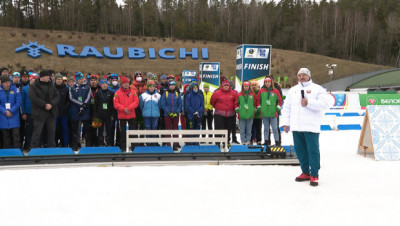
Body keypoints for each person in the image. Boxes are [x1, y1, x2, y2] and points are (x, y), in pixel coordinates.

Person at [281, 68, 331, 187]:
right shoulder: (293, 90)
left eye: (304, 75)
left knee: (312, 151)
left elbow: (325, 104)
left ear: (309, 76)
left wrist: (309, 102)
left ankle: (314, 174)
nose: (301, 77)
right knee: (300, 150)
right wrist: (285, 123)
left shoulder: (318, 89)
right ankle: (305, 172)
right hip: (296, 127)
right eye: (299, 75)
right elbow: (287, 107)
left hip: (311, 126)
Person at [29, 70, 60, 148]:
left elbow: (57, 96)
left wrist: (51, 104)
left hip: (51, 112)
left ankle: (51, 148)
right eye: (47, 76)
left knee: (51, 132)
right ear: (42, 77)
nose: (49, 78)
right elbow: (33, 98)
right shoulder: (34, 86)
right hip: (39, 113)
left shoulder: (51, 85)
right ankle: (34, 148)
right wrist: (44, 105)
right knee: (37, 132)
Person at [113, 76, 139, 151]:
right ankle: (123, 147)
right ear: (121, 84)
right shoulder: (117, 93)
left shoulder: (133, 92)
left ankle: (134, 146)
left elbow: (136, 102)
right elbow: (116, 104)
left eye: (127, 83)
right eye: (124, 83)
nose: (126, 85)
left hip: (131, 115)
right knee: (123, 132)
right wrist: (124, 109)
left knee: (133, 131)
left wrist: (129, 108)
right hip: (122, 115)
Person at [256, 76, 282, 146]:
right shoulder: (261, 91)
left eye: (268, 82)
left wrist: (277, 108)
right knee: (266, 129)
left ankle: (277, 142)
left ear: (271, 83)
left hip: (273, 114)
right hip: (264, 114)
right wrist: (259, 107)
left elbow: (280, 100)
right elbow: (258, 100)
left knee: (275, 129)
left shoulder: (275, 91)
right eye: (266, 82)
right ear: (264, 83)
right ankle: (266, 141)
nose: (267, 83)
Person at [69, 72, 91, 151]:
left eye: (82, 79)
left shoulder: (87, 87)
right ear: (77, 79)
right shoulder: (72, 88)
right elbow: (71, 98)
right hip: (75, 111)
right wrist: (81, 104)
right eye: (80, 79)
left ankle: (87, 146)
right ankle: (75, 145)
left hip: (85, 111)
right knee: (75, 130)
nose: (82, 80)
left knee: (87, 130)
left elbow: (88, 96)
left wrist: (83, 106)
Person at [210, 80, 237, 147]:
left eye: (227, 85)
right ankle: (218, 142)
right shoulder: (216, 93)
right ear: (222, 86)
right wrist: (218, 108)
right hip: (219, 115)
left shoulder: (233, 93)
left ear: (229, 86)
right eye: (224, 85)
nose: (226, 87)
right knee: (218, 129)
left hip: (230, 115)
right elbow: (212, 102)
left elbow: (236, 102)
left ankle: (226, 142)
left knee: (228, 129)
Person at [0, 76, 21, 148]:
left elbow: (18, 102)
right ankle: (7, 154)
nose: (8, 84)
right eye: (6, 83)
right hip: (3, 117)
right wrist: (5, 111)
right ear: (2, 83)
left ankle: (17, 152)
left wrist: (11, 111)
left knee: (16, 136)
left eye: (9, 82)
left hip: (14, 116)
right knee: (6, 137)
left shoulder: (15, 90)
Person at [160, 80, 182, 150]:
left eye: (173, 85)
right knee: (168, 129)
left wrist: (177, 112)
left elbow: (180, 104)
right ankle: (168, 144)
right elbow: (163, 104)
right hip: (167, 115)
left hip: (176, 115)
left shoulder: (177, 94)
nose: (172, 86)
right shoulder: (165, 94)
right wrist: (168, 112)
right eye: (171, 85)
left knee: (175, 129)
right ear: (169, 86)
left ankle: (175, 144)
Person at [139, 80, 161, 146]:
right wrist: (145, 111)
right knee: (147, 127)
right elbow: (141, 105)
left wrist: (156, 111)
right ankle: (148, 142)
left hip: (155, 114)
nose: (151, 88)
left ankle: (154, 142)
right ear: (148, 87)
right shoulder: (143, 95)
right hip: (146, 115)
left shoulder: (158, 95)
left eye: (153, 87)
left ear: (154, 87)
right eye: (150, 87)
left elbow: (159, 105)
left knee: (154, 128)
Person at [93, 79, 114, 146]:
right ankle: (100, 143)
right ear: (101, 85)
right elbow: (95, 105)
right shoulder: (97, 93)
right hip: (99, 114)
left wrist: (112, 114)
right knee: (99, 130)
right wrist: (95, 115)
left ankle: (109, 143)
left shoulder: (111, 93)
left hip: (108, 114)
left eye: (106, 84)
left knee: (108, 129)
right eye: (103, 84)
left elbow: (112, 105)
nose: (104, 85)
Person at [21, 73, 39, 150]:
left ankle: (36, 145)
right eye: (32, 79)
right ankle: (27, 145)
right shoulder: (25, 89)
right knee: (29, 130)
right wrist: (23, 113)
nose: (34, 81)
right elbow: (22, 102)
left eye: (35, 79)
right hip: (28, 113)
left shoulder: (39, 89)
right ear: (30, 79)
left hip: (37, 113)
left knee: (37, 130)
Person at [235, 80, 256, 145]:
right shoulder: (239, 94)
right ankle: (243, 141)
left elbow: (255, 103)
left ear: (249, 87)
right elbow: (236, 103)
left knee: (249, 129)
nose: (246, 87)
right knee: (242, 129)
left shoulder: (252, 94)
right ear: (243, 87)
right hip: (242, 115)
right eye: (245, 86)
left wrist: (254, 109)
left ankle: (248, 140)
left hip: (250, 115)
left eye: (247, 86)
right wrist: (237, 108)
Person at [55, 73, 70, 147]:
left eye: (61, 79)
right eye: (58, 79)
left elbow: (68, 100)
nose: (59, 81)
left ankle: (65, 144)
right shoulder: (52, 88)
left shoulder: (66, 88)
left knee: (65, 129)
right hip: (54, 113)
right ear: (55, 80)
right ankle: (54, 144)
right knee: (55, 130)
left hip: (63, 113)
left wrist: (66, 108)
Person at [87, 74, 100, 146]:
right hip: (88, 112)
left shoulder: (100, 89)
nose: (93, 82)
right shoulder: (87, 88)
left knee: (96, 129)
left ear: (97, 81)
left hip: (97, 112)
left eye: (94, 80)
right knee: (88, 129)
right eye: (91, 80)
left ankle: (96, 143)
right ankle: (89, 144)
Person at [250, 80, 262, 145]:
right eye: (252, 85)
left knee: (258, 128)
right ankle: (251, 139)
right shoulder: (249, 93)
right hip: (251, 114)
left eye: (255, 85)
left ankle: (259, 140)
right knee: (251, 128)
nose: (254, 86)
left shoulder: (260, 92)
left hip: (258, 114)